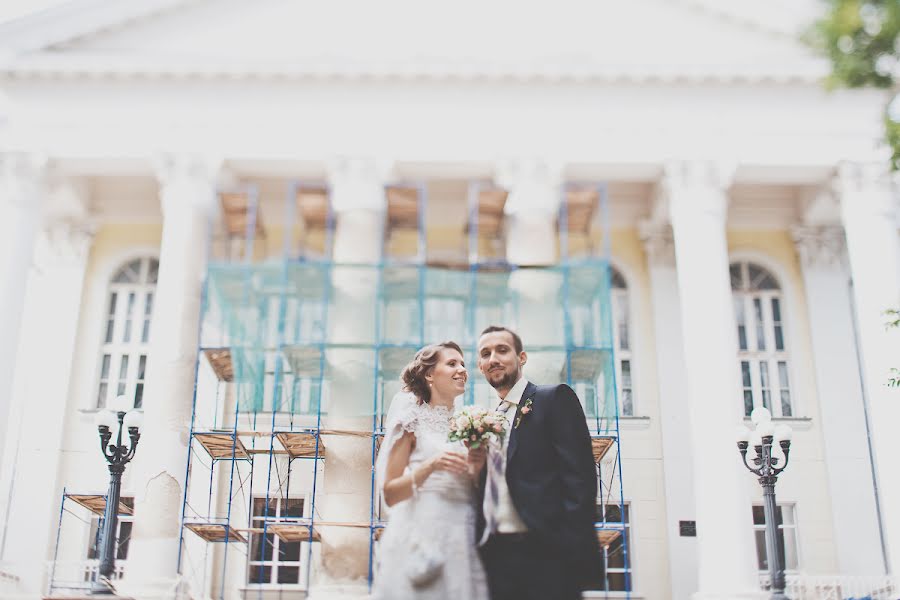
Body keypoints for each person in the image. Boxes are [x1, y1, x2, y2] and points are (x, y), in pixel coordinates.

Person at [468, 325, 601, 600]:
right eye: (485, 353)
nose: (493, 358)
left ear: (522, 357)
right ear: (480, 366)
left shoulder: (552, 399)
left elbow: (580, 478)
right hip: (495, 557)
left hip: (546, 556)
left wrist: (567, 547)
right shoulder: (485, 420)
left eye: (502, 350)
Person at [373, 341, 490, 599]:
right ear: (429, 375)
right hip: (423, 535)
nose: (462, 369)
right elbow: (390, 494)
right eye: (452, 364)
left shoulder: (469, 425)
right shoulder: (411, 421)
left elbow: (475, 487)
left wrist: (477, 466)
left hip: (463, 533)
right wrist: (431, 465)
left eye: (462, 364)